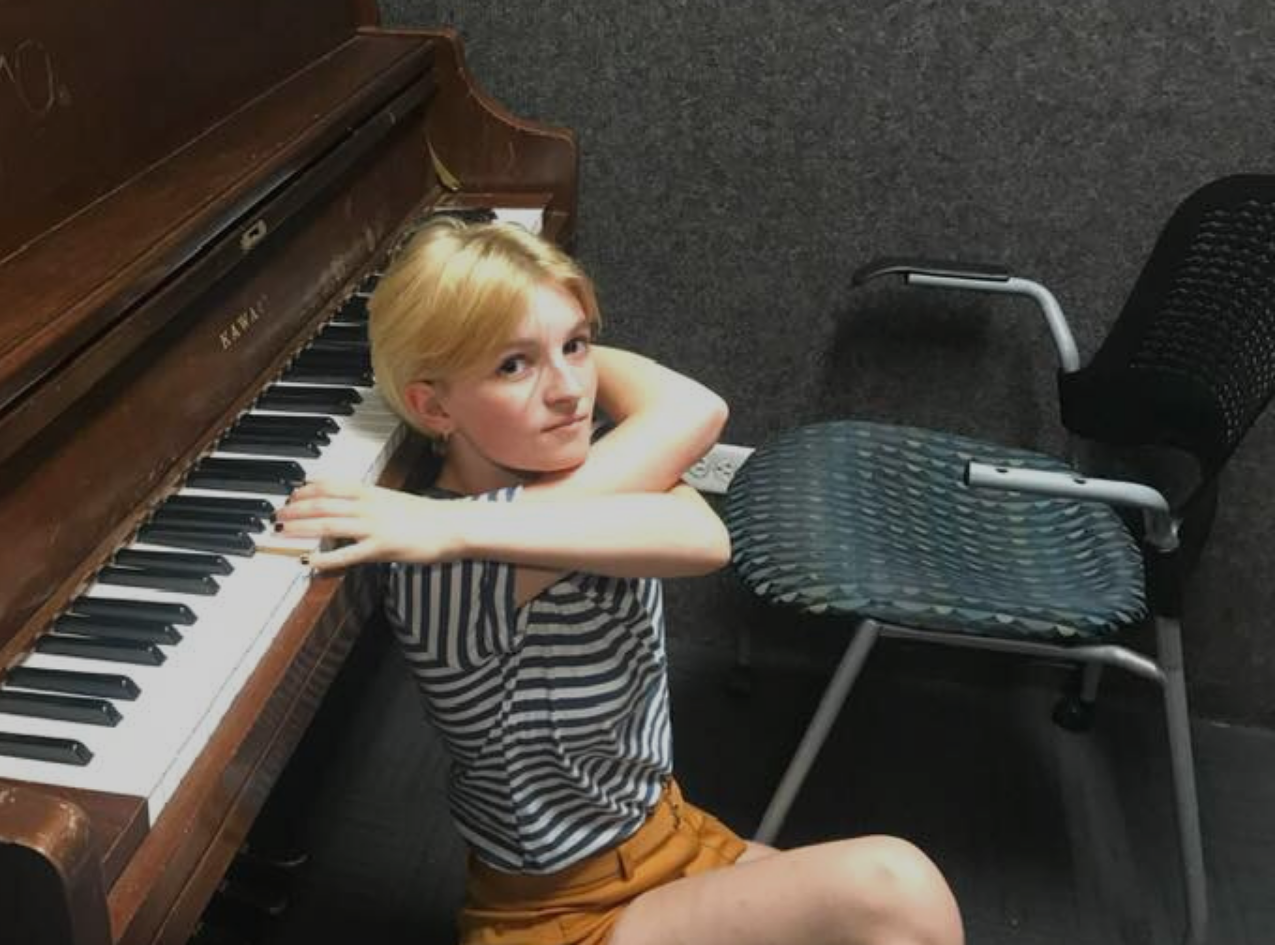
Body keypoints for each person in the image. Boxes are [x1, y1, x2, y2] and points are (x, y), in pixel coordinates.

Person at [274, 219, 963, 945]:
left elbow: (697, 418)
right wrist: (458, 526)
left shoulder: (536, 488)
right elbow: (702, 538)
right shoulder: (448, 563)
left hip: (669, 833)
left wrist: (531, 329)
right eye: (513, 366)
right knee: (896, 889)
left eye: (577, 346)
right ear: (433, 407)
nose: (570, 391)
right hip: (567, 913)